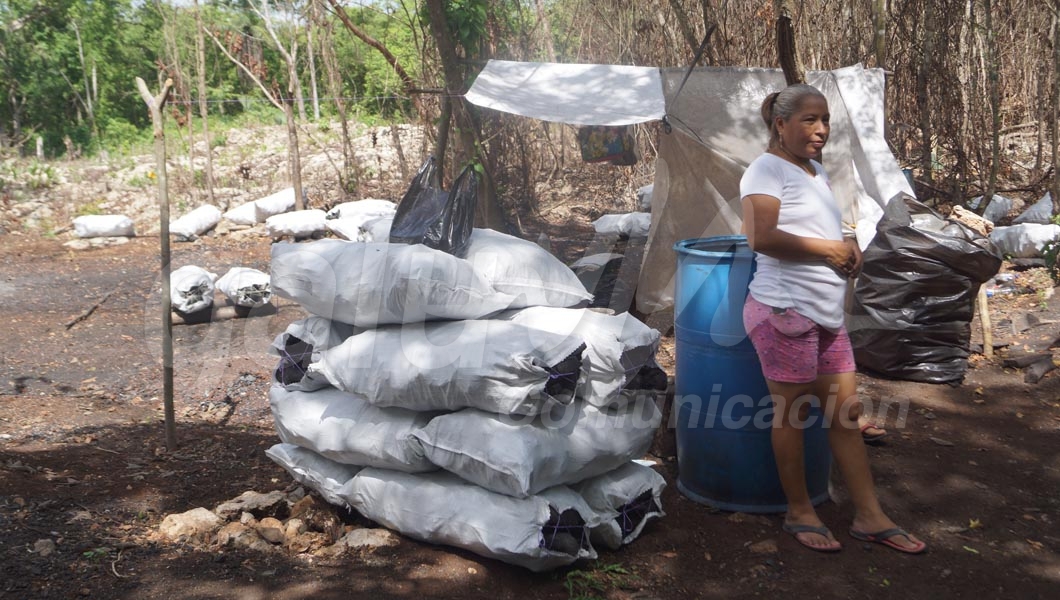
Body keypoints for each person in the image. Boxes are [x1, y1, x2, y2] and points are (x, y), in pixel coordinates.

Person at [739, 83, 925, 554]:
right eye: (809, 120)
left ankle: (870, 515)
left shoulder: (815, 171)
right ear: (780, 124)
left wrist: (851, 248)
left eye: (825, 120)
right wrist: (830, 251)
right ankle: (799, 510)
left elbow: (822, 228)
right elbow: (760, 236)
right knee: (793, 414)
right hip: (784, 311)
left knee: (845, 415)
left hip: (823, 313)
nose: (821, 130)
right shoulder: (765, 169)